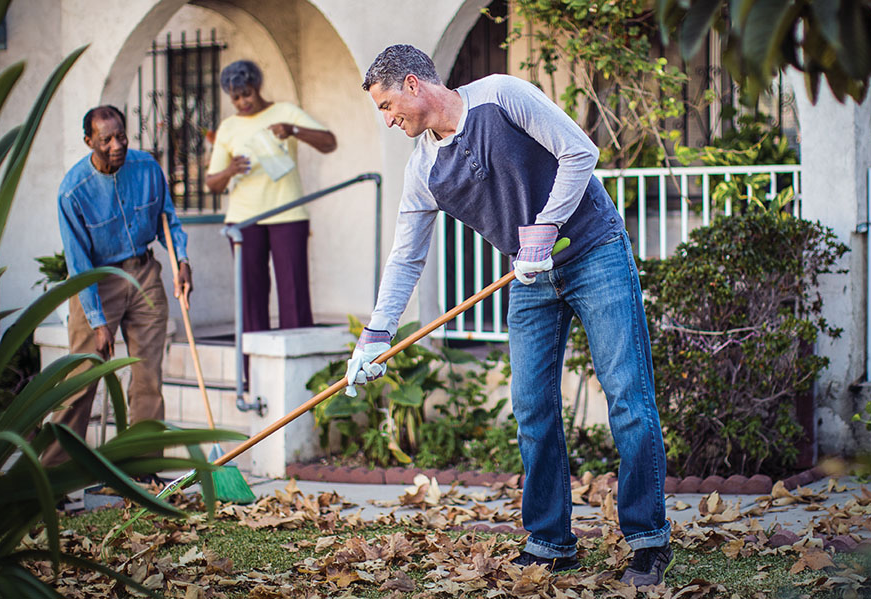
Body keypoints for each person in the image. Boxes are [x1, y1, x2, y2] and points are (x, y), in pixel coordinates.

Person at [349, 45, 671, 586]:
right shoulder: (424, 169)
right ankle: (550, 540)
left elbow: (580, 152)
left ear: (412, 84)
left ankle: (647, 540)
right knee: (530, 407)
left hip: (594, 250)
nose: (387, 119)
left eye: (386, 105)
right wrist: (376, 336)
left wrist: (543, 230)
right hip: (528, 277)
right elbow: (406, 257)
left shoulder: (501, 95)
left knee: (627, 396)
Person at [45, 105, 192, 470]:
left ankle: (142, 469)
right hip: (97, 281)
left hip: (143, 274)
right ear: (89, 141)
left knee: (148, 377)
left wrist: (183, 262)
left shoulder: (147, 169)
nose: (117, 145)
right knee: (81, 380)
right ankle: (52, 474)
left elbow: (168, 224)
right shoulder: (72, 191)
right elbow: (78, 263)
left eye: (121, 136)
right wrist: (97, 321)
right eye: (106, 139)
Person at [206, 60, 337, 343]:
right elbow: (212, 183)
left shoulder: (285, 113)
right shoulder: (228, 128)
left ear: (257, 87)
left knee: (294, 294)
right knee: (251, 298)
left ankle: (301, 374)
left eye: (247, 94)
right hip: (244, 220)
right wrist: (230, 170)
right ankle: (254, 376)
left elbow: (329, 142)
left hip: (287, 214)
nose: (242, 102)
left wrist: (294, 131)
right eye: (236, 98)